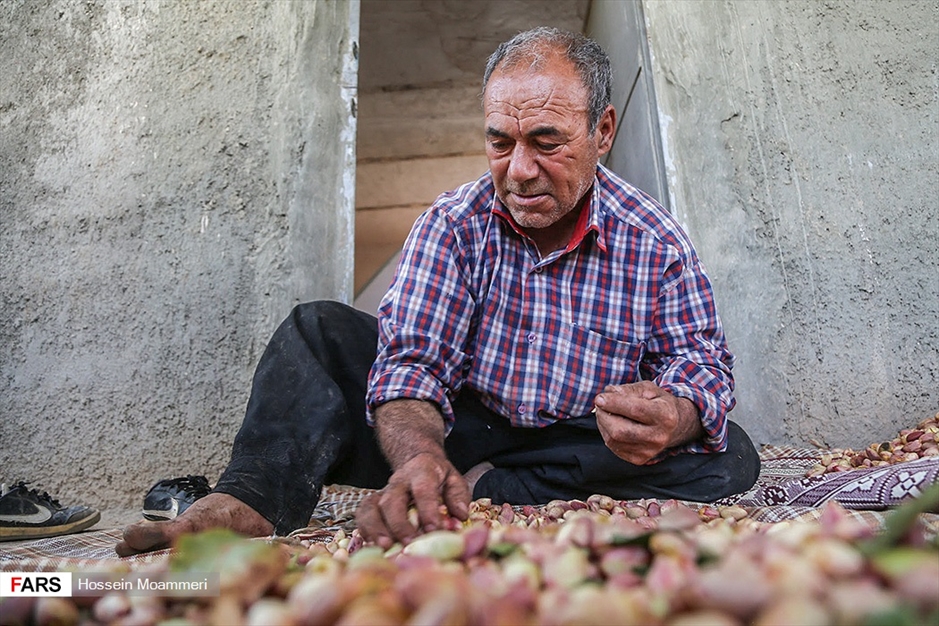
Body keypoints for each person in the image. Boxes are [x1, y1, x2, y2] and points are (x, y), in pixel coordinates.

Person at [117, 27, 760, 556]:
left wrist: (675, 414)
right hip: (457, 427)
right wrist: (421, 458)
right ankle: (253, 498)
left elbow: (701, 364)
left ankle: (496, 486)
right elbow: (412, 365)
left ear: (603, 131)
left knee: (729, 454)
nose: (519, 171)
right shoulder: (453, 223)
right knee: (317, 331)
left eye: (546, 142)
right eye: (499, 143)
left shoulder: (654, 240)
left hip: (573, 441)